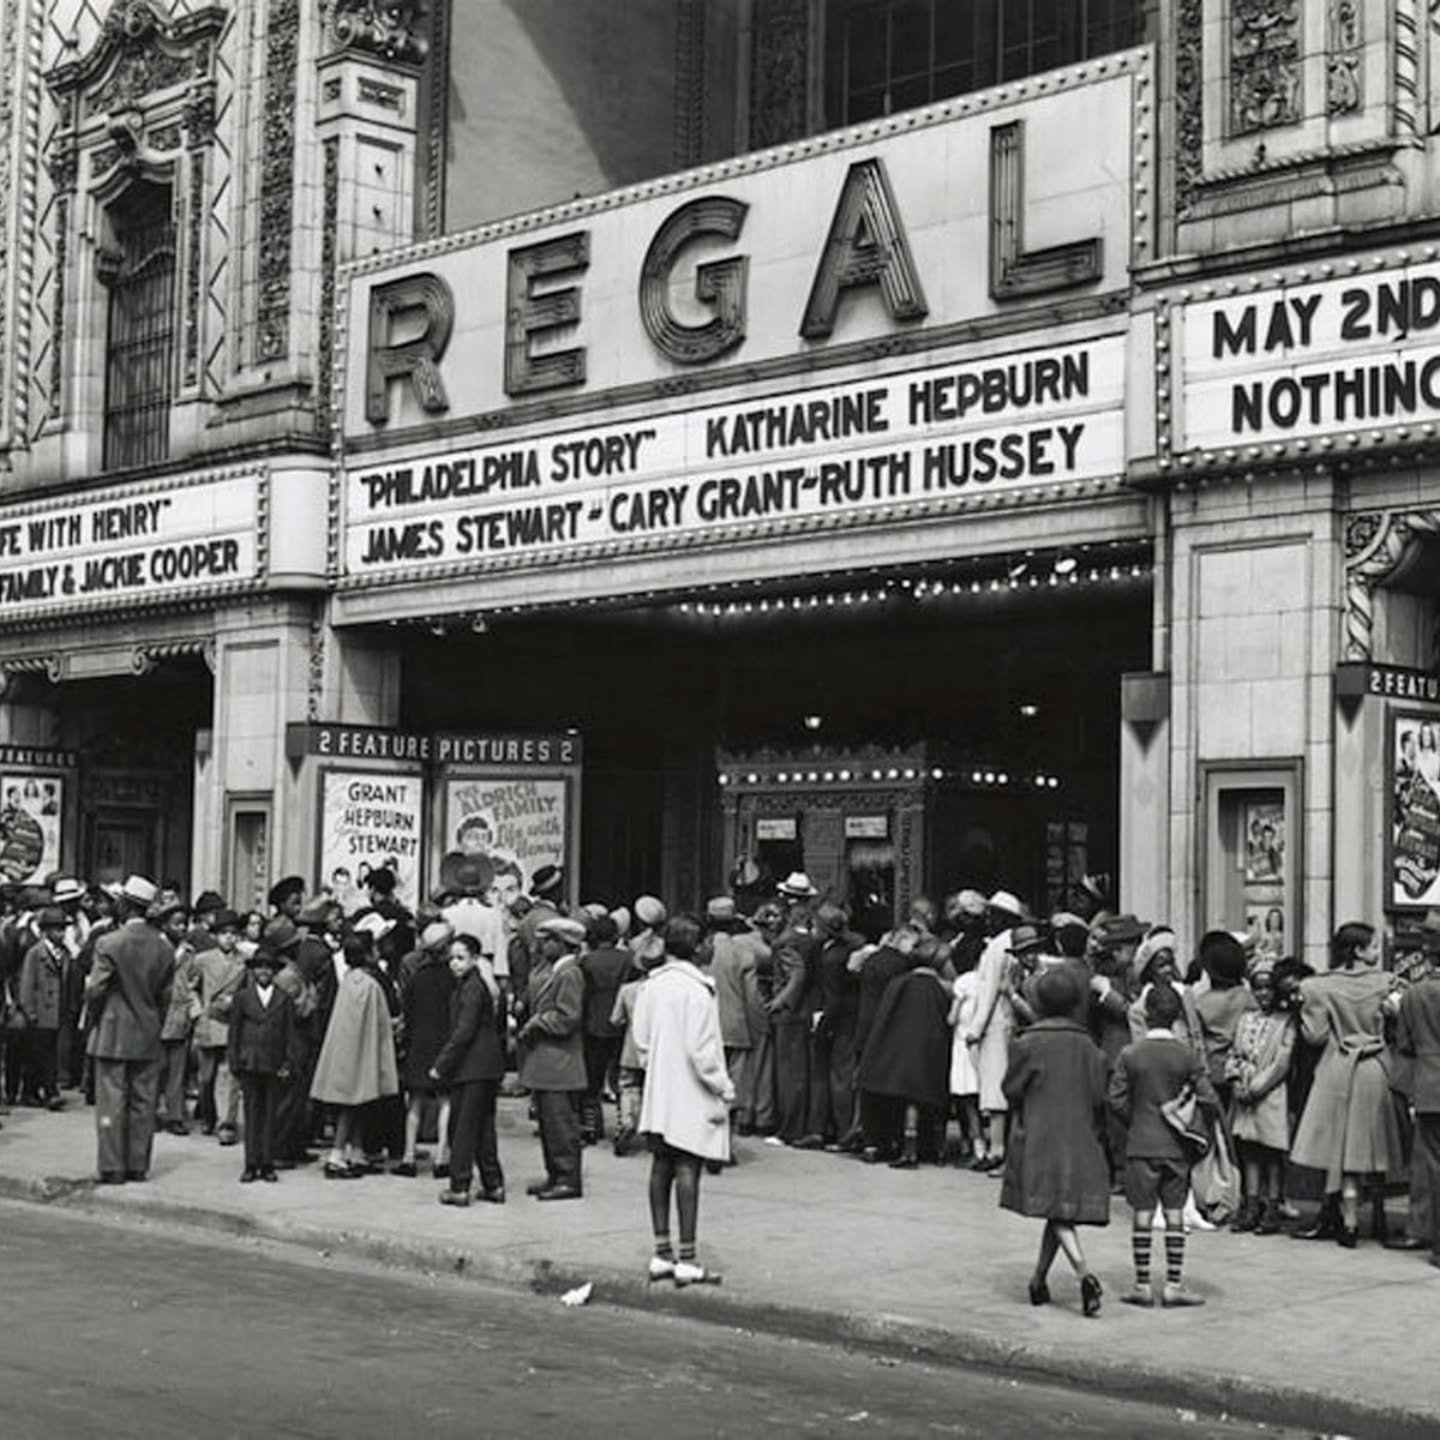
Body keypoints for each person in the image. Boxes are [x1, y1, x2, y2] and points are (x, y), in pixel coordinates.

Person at [1000, 965, 1110, 1317]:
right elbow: (1098, 1095)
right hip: (1079, 1135)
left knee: (1055, 1208)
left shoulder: (1027, 1043)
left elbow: (1010, 1089)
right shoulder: (1089, 1046)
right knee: (1059, 1210)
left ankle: (1083, 1272)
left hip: (1039, 1134)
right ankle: (1038, 1280)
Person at [631, 914, 733, 1286]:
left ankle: (661, 1251)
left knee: (661, 1165)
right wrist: (723, 1085)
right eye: (705, 942)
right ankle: (687, 1257)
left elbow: (640, 1040)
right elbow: (703, 1049)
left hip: (660, 1087)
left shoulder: (652, 986)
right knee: (688, 1167)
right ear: (694, 946)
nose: (710, 948)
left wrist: (657, 1066)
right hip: (692, 1088)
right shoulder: (697, 990)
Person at [1290, 922, 1407, 1246]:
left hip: (1337, 1069)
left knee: (1343, 1151)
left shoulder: (1318, 987)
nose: (1376, 951)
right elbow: (1399, 1023)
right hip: (1376, 1068)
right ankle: (1380, 1217)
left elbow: (1315, 1035)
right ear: (1357, 950)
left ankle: (1350, 1222)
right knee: (1377, 1147)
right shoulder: (1386, 982)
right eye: (1371, 946)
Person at [1108, 983, 1219, 1307]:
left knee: (1142, 1214)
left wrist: (1137, 1121)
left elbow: (1115, 1099)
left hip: (1141, 1145)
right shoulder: (1187, 1056)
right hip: (1175, 1148)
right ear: (1176, 1016)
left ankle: (1142, 1284)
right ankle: (1173, 1284)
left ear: (1147, 1013)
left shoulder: (1130, 1054)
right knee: (1174, 1214)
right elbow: (1208, 1098)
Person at [84, 875, 176, 1183]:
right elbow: (167, 996)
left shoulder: (109, 943)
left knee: (112, 1102)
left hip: (113, 1031)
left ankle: (112, 1166)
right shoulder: (163, 948)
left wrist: (95, 1019)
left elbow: (95, 990)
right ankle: (138, 1164)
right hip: (148, 1032)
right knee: (143, 1103)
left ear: (124, 905)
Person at [856, 933, 952, 1168]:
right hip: (932, 1057)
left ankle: (900, 1147)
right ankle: (935, 1149)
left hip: (899, 1058)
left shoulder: (899, 983)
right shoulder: (943, 989)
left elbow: (883, 1019)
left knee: (896, 1091)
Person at [310, 933, 401, 1178]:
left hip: (348, 1051)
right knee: (351, 1104)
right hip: (358, 1053)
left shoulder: (350, 980)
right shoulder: (367, 985)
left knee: (358, 1104)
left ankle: (357, 1151)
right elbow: (373, 1024)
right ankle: (337, 1156)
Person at [430, 932, 508, 1205]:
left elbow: (464, 1031)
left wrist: (441, 1065)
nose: (455, 963)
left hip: (472, 1066)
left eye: (461, 958)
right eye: (452, 958)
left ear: (474, 959)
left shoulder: (472, 988)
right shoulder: (475, 985)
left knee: (461, 1127)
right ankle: (493, 1183)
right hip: (486, 1066)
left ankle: (459, 1185)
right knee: (483, 1127)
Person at [517, 915, 588, 1200]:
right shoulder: (550, 970)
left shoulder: (569, 973)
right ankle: (555, 1174)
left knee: (560, 1123)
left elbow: (568, 1016)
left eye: (546, 941)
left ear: (561, 943)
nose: (540, 945)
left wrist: (538, 1022)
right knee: (548, 1123)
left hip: (560, 1060)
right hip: (546, 1059)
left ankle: (568, 1177)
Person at [1226, 959, 1297, 1234]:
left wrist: (1257, 1086)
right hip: (1244, 1092)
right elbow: (1234, 1051)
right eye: (1258, 988)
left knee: (1272, 1152)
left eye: (1268, 988)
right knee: (1249, 1150)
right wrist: (1235, 1079)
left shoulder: (1286, 1021)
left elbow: (1283, 1060)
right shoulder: (1245, 1019)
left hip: (1270, 1092)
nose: (1263, 994)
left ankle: (1272, 1205)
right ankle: (1252, 1203)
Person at [964, 890, 1027, 1172]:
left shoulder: (999, 946)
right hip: (1005, 1019)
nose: (988, 918)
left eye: (993, 914)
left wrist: (976, 1028)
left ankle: (997, 1149)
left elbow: (989, 989)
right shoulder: (1008, 943)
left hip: (996, 1021)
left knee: (995, 1085)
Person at [1391, 920, 1440, 1264]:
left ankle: (1428, 1232)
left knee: (1430, 1164)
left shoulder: (1416, 993)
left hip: (1429, 1084)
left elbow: (1404, 1043)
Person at [227, 946, 296, 1183]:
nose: (264, 972)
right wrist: (234, 1060)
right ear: (253, 971)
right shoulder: (243, 997)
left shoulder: (284, 999)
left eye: (268, 968)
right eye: (260, 968)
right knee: (252, 1113)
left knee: (270, 1114)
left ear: (275, 972)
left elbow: (289, 1034)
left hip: (273, 1062)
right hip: (249, 1061)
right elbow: (234, 1032)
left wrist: (287, 1061)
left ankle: (267, 1163)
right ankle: (250, 1163)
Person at [394, 920, 456, 1178]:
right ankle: (442, 1157)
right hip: (444, 1045)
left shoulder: (417, 979)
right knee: (445, 1101)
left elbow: (406, 1013)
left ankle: (409, 1156)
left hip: (418, 1044)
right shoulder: (453, 979)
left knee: (415, 1102)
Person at [579, 913, 633, 1144]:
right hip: (622, 1023)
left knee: (592, 1078)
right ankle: (623, 1122)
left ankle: (591, 1125)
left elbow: (583, 994)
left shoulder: (587, 961)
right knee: (621, 1077)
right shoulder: (627, 959)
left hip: (594, 1022)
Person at [18, 906, 69, 1110]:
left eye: (62, 929)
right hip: (40, 1011)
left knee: (42, 1053)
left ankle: (30, 1091)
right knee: (42, 1053)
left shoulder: (63, 953)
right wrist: (30, 1011)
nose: (61, 933)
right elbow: (27, 984)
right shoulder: (35, 953)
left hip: (55, 1011)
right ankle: (50, 1092)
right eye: (57, 929)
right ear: (46, 931)